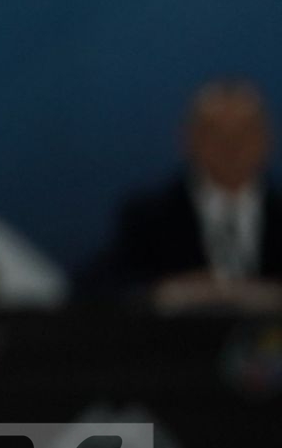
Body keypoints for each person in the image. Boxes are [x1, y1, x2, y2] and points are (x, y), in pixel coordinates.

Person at [89, 78, 282, 312]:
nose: (231, 145)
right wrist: (166, 293)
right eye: (215, 133)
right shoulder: (149, 215)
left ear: (266, 139)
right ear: (189, 138)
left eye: (244, 132)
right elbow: (105, 288)